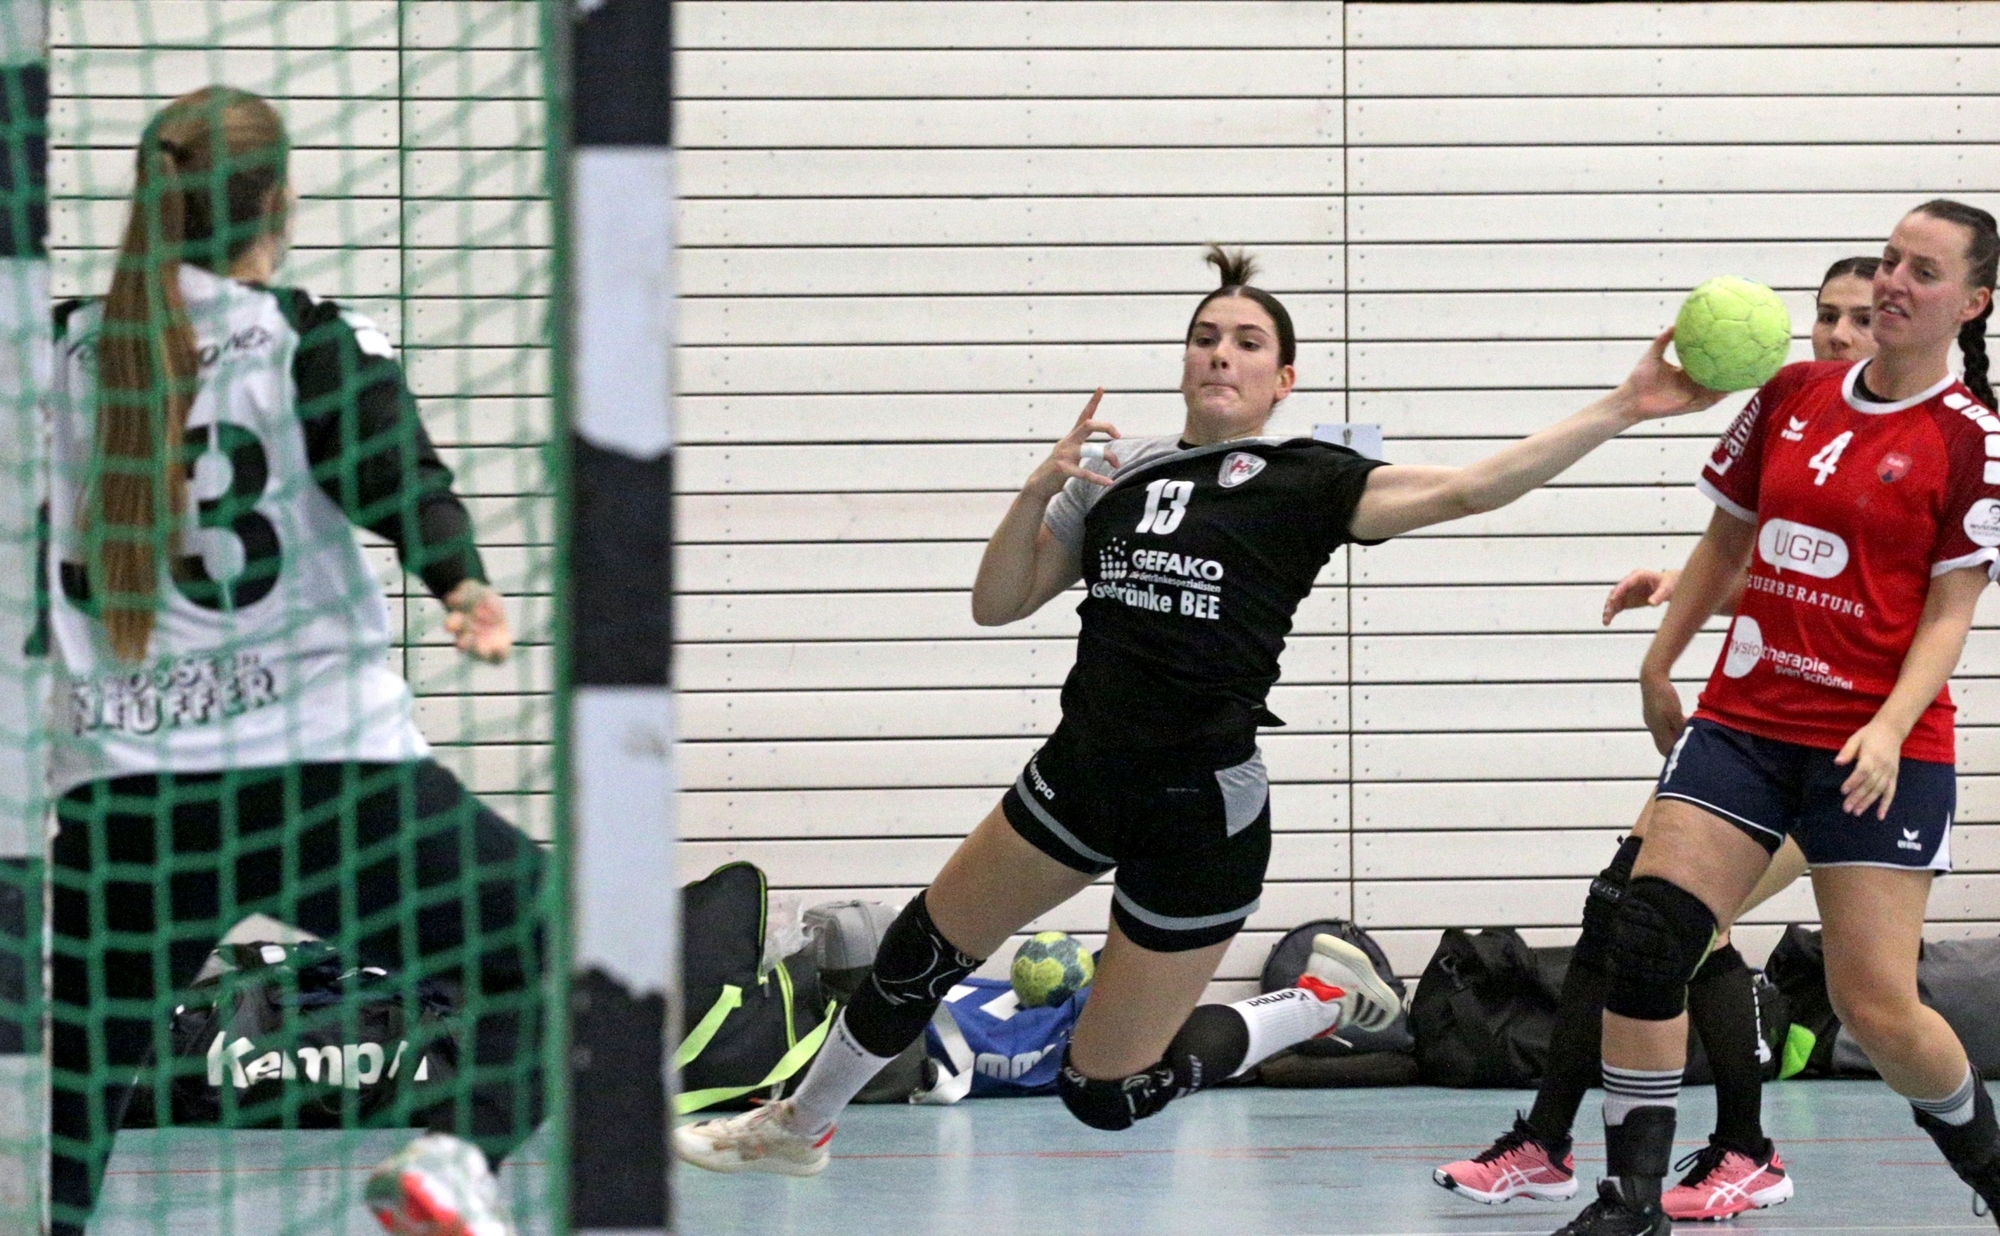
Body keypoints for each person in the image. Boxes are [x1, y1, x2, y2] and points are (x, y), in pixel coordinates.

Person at [673, 245, 1725, 1177]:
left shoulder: (1307, 480)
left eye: (1247, 343)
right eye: (1205, 337)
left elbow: (1472, 487)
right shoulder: (1118, 479)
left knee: (1100, 1094)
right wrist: (1037, 490)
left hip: (1198, 816)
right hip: (1080, 773)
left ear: (1282, 379)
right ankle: (798, 1127)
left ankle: (1306, 1005)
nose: (1221, 354)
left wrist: (1622, 406)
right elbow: (997, 602)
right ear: (1185, 361)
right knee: (916, 950)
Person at [36, 88, 543, 1236]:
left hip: (131, 792)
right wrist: (461, 583)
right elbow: (396, 470)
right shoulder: (305, 338)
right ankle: (450, 1161)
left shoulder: (57, 347)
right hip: (324, 778)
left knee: (85, 1081)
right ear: (278, 204)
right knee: (567, 956)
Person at [1546, 200, 2000, 1236]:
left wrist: (1888, 726)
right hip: (1745, 724)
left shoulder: (1970, 439)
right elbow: (1724, 542)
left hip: (1874, 748)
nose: (1893, 282)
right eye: (1889, 260)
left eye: (1923, 272)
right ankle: (1630, 1200)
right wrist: (1659, 666)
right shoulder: (1792, 393)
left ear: (1972, 303)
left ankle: (1990, 1162)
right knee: (1647, 935)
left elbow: (1949, 610)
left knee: (1874, 1007)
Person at [1436, 255, 1881, 1222]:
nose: (1840, 335)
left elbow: (1865, 592)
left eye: (1861, 318)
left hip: (1841, 753)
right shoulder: (1803, 423)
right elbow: (1777, 565)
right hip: (1750, 732)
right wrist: (1685, 588)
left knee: (1687, 930)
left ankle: (1745, 1151)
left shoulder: (1917, 440)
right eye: (1826, 316)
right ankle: (1551, 1144)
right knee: (1624, 910)